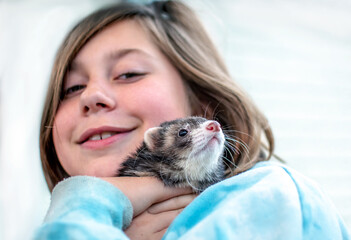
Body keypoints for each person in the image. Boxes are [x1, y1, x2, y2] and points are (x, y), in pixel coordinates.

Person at [35, 1, 350, 239]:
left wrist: (83, 200)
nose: (91, 95)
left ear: (201, 101)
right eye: (72, 87)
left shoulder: (271, 197)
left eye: (129, 73)